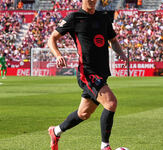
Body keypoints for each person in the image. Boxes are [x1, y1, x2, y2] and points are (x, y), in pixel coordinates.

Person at [47, 0, 127, 149]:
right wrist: (58, 55)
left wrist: (121, 54)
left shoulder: (103, 17)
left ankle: (55, 131)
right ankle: (105, 146)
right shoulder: (74, 17)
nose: (91, 0)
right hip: (87, 72)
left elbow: (113, 41)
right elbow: (52, 38)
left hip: (102, 72)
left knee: (83, 113)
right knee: (111, 103)